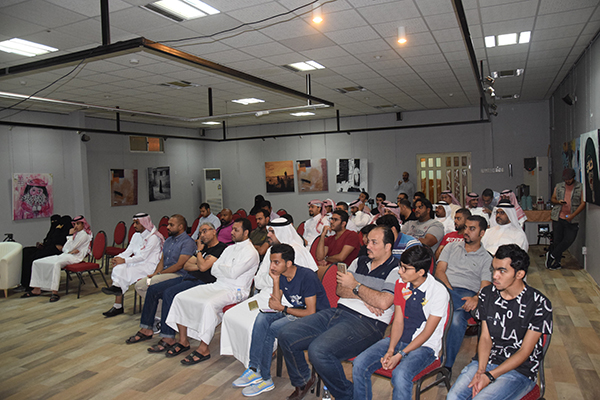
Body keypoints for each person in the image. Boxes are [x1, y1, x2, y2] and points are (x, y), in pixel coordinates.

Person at [278, 226, 399, 400]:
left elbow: (383, 302)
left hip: (366, 323)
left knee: (318, 351)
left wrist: (355, 286)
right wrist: (367, 296)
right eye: (368, 241)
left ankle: (348, 395)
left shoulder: (396, 270)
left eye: (374, 242)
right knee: (286, 334)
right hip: (337, 312)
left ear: (388, 247)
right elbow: (340, 290)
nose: (368, 245)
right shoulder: (359, 261)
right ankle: (303, 381)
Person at [447, 245, 553, 400]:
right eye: (494, 269)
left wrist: (490, 376)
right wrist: (481, 371)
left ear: (520, 274)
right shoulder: (487, 294)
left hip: (520, 370)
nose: (495, 276)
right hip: (487, 360)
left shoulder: (539, 303)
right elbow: (485, 338)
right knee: (453, 397)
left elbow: (525, 351)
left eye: (502, 271)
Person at [232, 244, 330, 396]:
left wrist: (283, 308)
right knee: (262, 318)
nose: (272, 266)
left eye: (276, 262)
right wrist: (276, 280)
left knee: (273, 328)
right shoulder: (283, 275)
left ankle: (265, 378)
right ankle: (254, 368)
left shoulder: (307, 276)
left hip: (317, 319)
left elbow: (310, 312)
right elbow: (276, 303)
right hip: (297, 312)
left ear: (288, 263)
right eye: (271, 262)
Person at [353, 246, 449, 400]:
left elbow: (427, 332)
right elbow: (398, 321)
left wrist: (400, 354)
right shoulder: (401, 283)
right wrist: (391, 350)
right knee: (359, 364)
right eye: (400, 266)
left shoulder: (438, 292)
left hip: (425, 346)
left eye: (405, 268)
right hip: (399, 339)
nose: (400, 271)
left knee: (400, 375)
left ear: (421, 272)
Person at [220, 217, 318, 367]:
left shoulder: (295, 252)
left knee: (252, 324)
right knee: (232, 314)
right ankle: (247, 357)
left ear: (282, 232)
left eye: (272, 231)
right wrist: (272, 279)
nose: (268, 235)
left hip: (285, 300)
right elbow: (258, 280)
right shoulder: (273, 250)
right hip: (264, 295)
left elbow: (295, 284)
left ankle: (256, 363)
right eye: (268, 231)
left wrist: (272, 279)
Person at [164, 218, 259, 362]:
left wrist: (223, 268)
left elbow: (233, 274)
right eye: (232, 229)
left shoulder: (251, 252)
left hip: (235, 291)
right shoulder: (229, 248)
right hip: (218, 285)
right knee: (180, 297)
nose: (232, 232)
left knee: (208, 305)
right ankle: (183, 341)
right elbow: (214, 270)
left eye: (236, 230)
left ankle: (204, 348)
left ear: (246, 233)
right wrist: (225, 269)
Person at [125, 222, 227, 355]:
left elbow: (203, 268)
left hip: (202, 282)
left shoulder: (221, 248)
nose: (202, 235)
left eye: (205, 231)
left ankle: (168, 337)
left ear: (214, 231)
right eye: (200, 232)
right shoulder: (204, 249)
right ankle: (146, 329)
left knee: (169, 294)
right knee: (153, 289)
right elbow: (187, 265)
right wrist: (201, 262)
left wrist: (199, 256)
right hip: (188, 277)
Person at [435, 216, 493, 369]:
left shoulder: (487, 258)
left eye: (472, 229)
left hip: (467, 294)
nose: (466, 231)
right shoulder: (451, 247)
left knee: (456, 319)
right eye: (466, 227)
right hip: (444, 289)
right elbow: (439, 271)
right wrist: (449, 292)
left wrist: (476, 298)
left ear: (482, 233)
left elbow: (485, 286)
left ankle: (446, 366)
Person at [101, 213, 164, 317]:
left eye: (137, 223)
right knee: (119, 267)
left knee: (124, 270)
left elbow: (143, 257)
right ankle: (117, 297)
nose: (134, 225)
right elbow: (128, 251)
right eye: (134, 223)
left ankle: (117, 300)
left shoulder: (153, 238)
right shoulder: (136, 236)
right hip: (137, 263)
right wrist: (117, 258)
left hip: (149, 267)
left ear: (144, 223)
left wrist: (124, 261)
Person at [23, 215, 92, 302]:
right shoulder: (76, 234)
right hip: (66, 255)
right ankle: (36, 289)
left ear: (83, 224)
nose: (75, 226)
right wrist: (69, 249)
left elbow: (69, 248)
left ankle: (54, 292)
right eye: (74, 224)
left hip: (75, 258)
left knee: (56, 264)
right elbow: (65, 249)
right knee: (36, 262)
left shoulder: (84, 235)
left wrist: (70, 237)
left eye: (78, 224)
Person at [134, 214, 196, 302]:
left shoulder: (187, 242)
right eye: (168, 224)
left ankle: (161, 306)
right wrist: (155, 273)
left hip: (179, 275)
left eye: (171, 225)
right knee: (139, 286)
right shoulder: (168, 240)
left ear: (180, 227)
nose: (167, 227)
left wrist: (159, 274)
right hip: (164, 274)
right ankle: (160, 307)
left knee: (153, 282)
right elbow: (162, 261)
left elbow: (179, 265)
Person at [17, 214, 71, 292]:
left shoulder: (66, 232)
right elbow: (48, 240)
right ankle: (24, 283)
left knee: (33, 258)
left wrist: (57, 231)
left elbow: (58, 242)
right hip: (48, 248)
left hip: (56, 252)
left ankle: (32, 285)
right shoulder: (55, 229)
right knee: (26, 251)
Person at [546, 168, 585, 270]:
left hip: (572, 218)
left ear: (573, 177)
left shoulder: (580, 187)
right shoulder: (559, 186)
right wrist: (558, 202)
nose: (567, 181)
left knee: (568, 240)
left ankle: (552, 255)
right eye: (565, 179)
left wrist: (573, 215)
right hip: (558, 217)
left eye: (569, 179)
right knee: (557, 240)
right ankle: (557, 262)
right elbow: (553, 199)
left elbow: (583, 203)